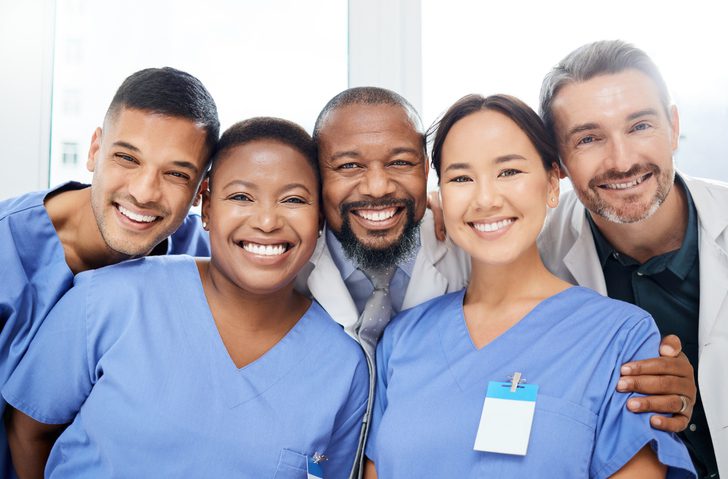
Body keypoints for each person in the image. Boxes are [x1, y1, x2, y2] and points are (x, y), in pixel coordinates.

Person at [2, 117, 368, 478]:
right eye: (241, 196)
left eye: (293, 199)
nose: (267, 221)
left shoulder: (343, 367)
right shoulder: (110, 299)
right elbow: (30, 433)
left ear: (320, 216)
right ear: (206, 206)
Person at [364, 93, 695, 478]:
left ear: (553, 183)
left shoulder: (621, 337)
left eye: (509, 172)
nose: (486, 199)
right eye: (461, 178)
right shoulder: (403, 339)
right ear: (440, 196)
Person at [0, 67, 218, 478]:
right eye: (127, 158)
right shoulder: (7, 253)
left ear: (201, 191)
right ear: (95, 150)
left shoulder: (205, 262)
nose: (144, 191)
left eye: (176, 174)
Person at [537, 40, 726, 478]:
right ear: (559, 162)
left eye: (640, 126)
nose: (622, 161)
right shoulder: (535, 253)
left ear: (674, 127)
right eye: (588, 138)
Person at [296, 87, 471, 478]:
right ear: (317, 176)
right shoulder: (284, 261)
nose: (377, 187)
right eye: (349, 167)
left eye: (400, 163)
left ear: (427, 170)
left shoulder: (472, 248)